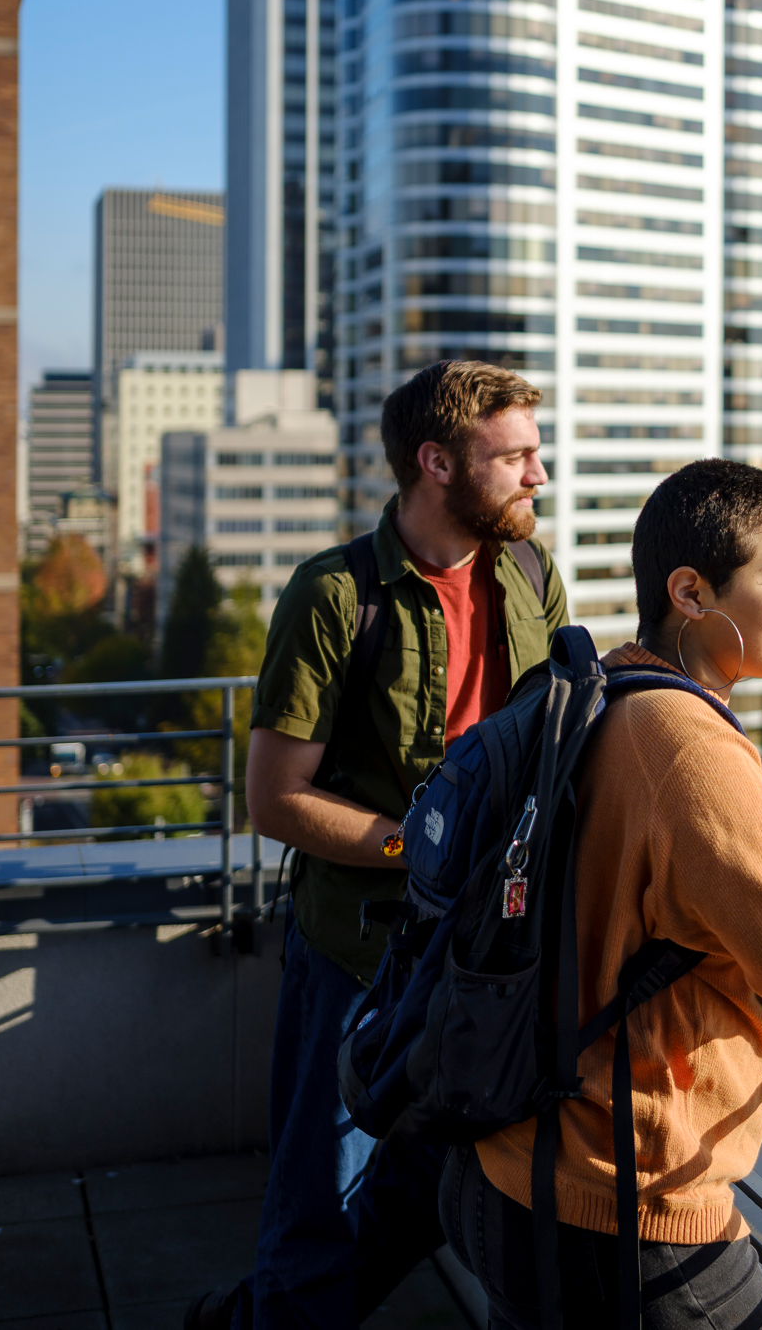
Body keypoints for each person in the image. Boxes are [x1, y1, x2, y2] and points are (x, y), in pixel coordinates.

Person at [441, 458, 762, 1330]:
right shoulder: (686, 741)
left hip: (510, 1169)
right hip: (621, 1211)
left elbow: (665, 894)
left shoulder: (612, 692)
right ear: (691, 592)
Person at [190, 361, 568, 1330]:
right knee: (317, 1203)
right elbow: (276, 801)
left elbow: (567, 747)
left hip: (487, 962)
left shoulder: (531, 574)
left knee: (438, 1184)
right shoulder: (331, 596)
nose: (538, 475)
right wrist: (423, 849)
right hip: (360, 956)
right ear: (435, 463)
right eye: (515, 455)